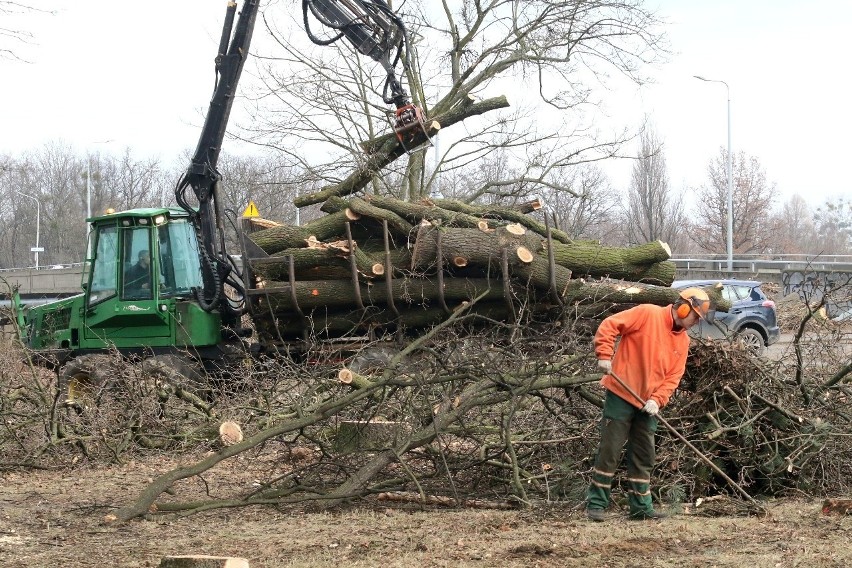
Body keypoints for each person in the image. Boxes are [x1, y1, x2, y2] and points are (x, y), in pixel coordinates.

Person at [586, 287, 711, 522]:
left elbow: (674, 376)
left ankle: (641, 508)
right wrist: (604, 354)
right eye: (695, 316)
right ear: (683, 307)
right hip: (621, 393)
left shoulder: (682, 342)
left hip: (648, 405)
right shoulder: (647, 314)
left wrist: (657, 399)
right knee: (610, 450)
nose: (695, 322)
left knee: (644, 454)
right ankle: (596, 505)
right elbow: (610, 325)